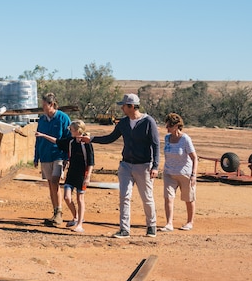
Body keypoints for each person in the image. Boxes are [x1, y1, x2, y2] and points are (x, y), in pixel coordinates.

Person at [80, 93, 160, 238]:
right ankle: (124, 229)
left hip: (144, 166)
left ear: (131, 106)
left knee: (147, 197)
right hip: (126, 165)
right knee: (124, 196)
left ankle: (151, 226)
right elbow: (110, 138)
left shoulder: (149, 122)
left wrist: (155, 166)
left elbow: (156, 145)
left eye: (123, 105)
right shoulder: (123, 123)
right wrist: (91, 139)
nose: (121, 108)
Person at [37, 120, 95, 232]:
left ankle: (79, 224)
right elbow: (57, 141)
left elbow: (91, 162)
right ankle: (76, 217)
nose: (70, 132)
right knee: (67, 197)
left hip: (82, 174)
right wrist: (43, 135)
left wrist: (88, 177)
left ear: (78, 131)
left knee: (80, 198)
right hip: (71, 173)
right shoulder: (70, 142)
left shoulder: (86, 143)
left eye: (72, 130)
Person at [34, 92, 71, 227]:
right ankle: (55, 211)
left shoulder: (63, 118)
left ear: (52, 104)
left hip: (59, 154)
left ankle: (59, 212)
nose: (43, 108)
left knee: (55, 181)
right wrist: (36, 156)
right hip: (45, 155)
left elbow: (69, 138)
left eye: (45, 105)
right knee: (51, 184)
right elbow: (37, 139)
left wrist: (67, 156)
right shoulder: (42, 120)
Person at [161, 112, 198, 231]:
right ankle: (169, 223)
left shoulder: (185, 139)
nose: (167, 128)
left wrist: (193, 175)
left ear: (176, 126)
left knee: (188, 198)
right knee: (168, 198)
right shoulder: (167, 138)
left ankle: (189, 222)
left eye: (169, 126)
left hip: (185, 174)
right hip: (169, 173)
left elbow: (194, 158)